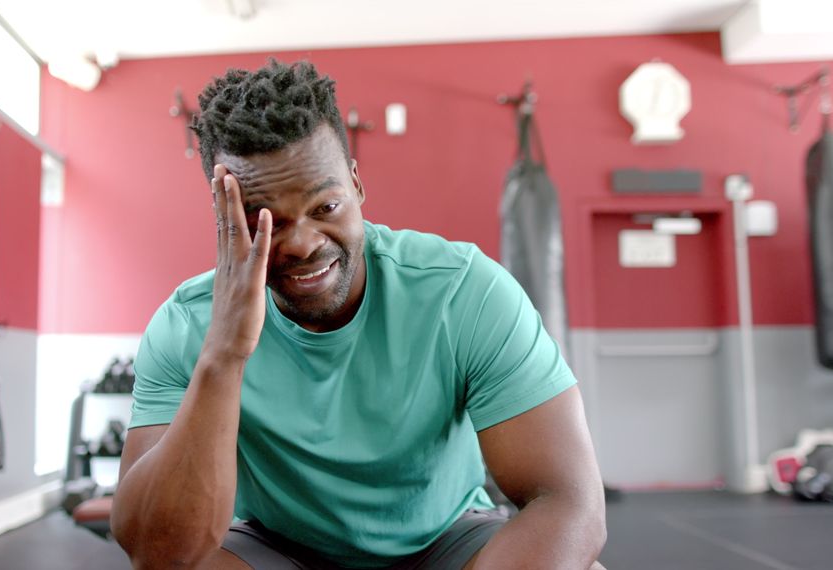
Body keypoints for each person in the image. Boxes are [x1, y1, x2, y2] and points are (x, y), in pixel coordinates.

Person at [111, 59, 606, 569]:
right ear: (225, 219)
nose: (303, 243)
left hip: (442, 538)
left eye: (324, 207)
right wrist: (223, 355)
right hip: (279, 546)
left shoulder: (464, 292)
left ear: (355, 185)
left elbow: (570, 503)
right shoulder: (185, 325)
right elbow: (157, 549)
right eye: (267, 222)